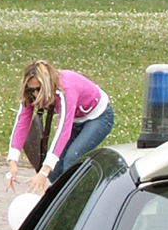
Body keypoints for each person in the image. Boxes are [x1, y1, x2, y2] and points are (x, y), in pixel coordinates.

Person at [6, 61, 114, 195]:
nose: (34, 94)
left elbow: (63, 130)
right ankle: (67, 199)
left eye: (38, 89)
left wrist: (43, 172)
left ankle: (89, 196)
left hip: (99, 117)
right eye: (30, 90)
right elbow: (22, 123)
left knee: (71, 160)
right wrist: (13, 160)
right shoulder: (31, 95)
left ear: (46, 84)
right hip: (76, 118)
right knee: (55, 169)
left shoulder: (65, 89)